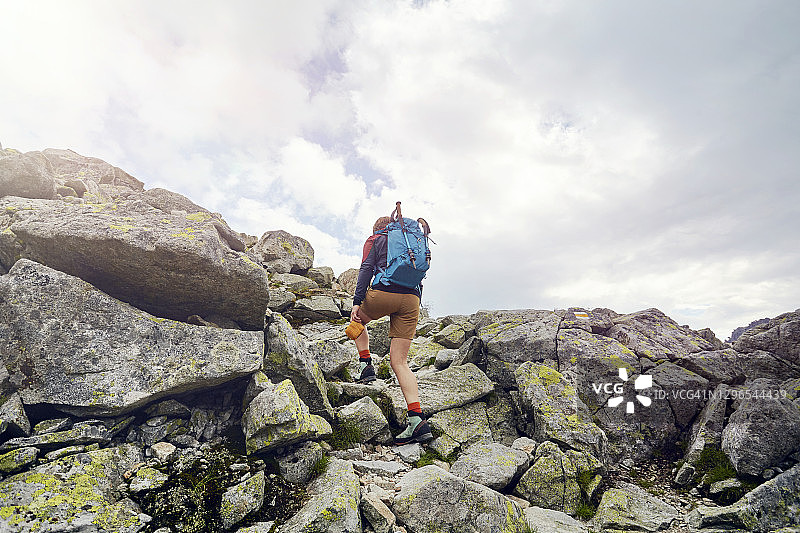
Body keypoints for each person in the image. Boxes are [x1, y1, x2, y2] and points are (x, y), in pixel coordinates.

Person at [349, 215, 433, 445]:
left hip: (383, 293)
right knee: (400, 362)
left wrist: (357, 301)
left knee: (356, 324)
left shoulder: (376, 239)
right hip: (411, 300)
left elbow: (366, 268)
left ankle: (365, 365)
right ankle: (417, 420)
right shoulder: (412, 240)